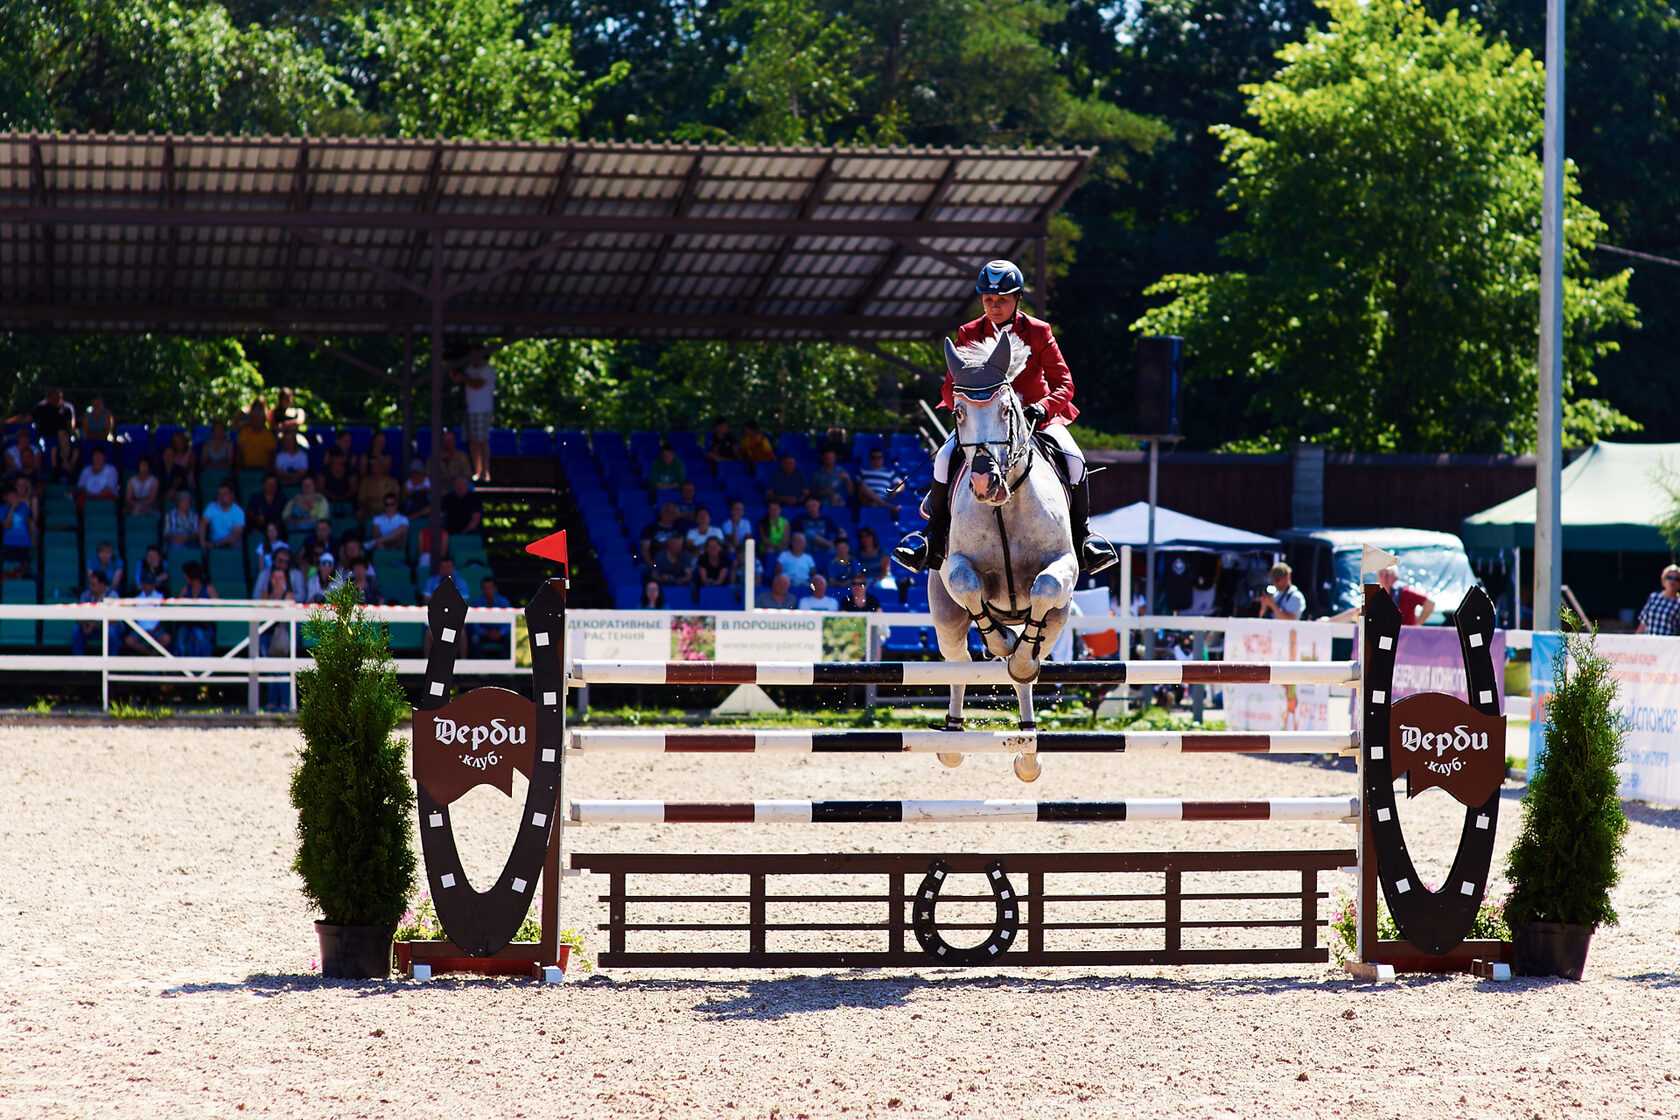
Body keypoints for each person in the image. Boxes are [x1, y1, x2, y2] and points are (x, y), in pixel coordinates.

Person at [894, 259, 1115, 575]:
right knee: (944, 457)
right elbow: (948, 386)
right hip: (984, 420)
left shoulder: (1038, 332)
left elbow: (1065, 383)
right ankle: (933, 538)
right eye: (988, 300)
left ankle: (1083, 537)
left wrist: (1043, 407)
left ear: (1018, 299)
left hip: (1034, 418)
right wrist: (965, 404)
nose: (994, 307)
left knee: (1075, 459)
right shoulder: (969, 333)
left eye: (1002, 300)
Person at [451, 351, 497, 482]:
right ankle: (477, 472)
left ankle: (485, 472)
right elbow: (455, 379)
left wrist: (464, 378)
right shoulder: (469, 369)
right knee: (473, 441)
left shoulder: (487, 369)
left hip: (483, 409)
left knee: (482, 440)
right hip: (470, 409)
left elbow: (477, 384)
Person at [71, 569, 120, 657]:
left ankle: (111, 667)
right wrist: (85, 624)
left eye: (93, 585)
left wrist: (96, 624)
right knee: (76, 630)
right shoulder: (86, 595)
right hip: (90, 629)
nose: (91, 587)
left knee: (111, 632)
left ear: (102, 585)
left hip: (107, 628)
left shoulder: (112, 596)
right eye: (90, 584)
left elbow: (115, 621)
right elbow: (79, 618)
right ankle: (79, 667)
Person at [174, 561, 219, 657]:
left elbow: (218, 608)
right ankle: (182, 669)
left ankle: (201, 669)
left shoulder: (209, 589)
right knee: (181, 638)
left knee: (199, 635)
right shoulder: (185, 590)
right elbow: (178, 608)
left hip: (204, 625)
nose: (184, 577)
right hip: (187, 624)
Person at [124, 570, 172, 656]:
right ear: (142, 584)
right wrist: (140, 631)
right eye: (147, 584)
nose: (149, 586)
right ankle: (150, 654)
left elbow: (162, 619)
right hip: (139, 631)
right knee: (129, 640)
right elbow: (133, 619)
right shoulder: (136, 598)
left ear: (154, 584)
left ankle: (153, 655)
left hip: (156, 631)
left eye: (151, 584)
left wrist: (154, 631)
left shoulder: (161, 597)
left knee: (166, 639)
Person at [8, 387, 75, 442]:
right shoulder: (41, 407)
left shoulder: (67, 408)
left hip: (62, 439)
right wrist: (8, 422)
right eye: (53, 398)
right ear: (48, 397)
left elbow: (71, 425)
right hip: (45, 438)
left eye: (57, 398)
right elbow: (26, 418)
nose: (55, 400)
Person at [466, 576, 512, 657]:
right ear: (482, 589)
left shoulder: (503, 602)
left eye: (489, 588)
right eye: (485, 588)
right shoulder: (477, 602)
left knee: (510, 638)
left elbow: (509, 622)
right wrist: (484, 632)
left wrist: (501, 632)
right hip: (484, 633)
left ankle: (506, 663)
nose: (487, 590)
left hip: (500, 633)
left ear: (494, 588)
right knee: (474, 639)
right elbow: (474, 623)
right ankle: (480, 663)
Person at [1, 479, 34, 578]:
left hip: (23, 542)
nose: (14, 498)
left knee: (25, 566)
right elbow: (7, 525)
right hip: (9, 543)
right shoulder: (2, 509)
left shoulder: (23, 506)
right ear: (5, 497)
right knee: (7, 568)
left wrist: (32, 539)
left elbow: (28, 523)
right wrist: (11, 508)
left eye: (15, 495)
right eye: (11, 496)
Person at [199, 482, 246, 550]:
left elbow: (237, 534)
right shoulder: (212, 506)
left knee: (237, 544)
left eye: (224, 494)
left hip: (229, 542)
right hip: (213, 540)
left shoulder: (238, 511)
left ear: (232, 495)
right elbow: (203, 523)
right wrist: (202, 540)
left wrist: (218, 543)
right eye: (220, 494)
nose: (221, 497)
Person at [638, 504, 685, 572]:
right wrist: (653, 566)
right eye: (667, 511)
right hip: (654, 564)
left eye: (673, 513)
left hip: (675, 566)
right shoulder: (650, 528)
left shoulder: (678, 529)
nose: (670, 514)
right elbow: (645, 550)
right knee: (641, 568)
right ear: (661, 512)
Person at [1636, 564, 1680, 636]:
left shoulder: (1678, 603)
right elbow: (1643, 623)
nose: (1672, 581)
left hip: (1668, 645)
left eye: (1677, 579)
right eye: (1669, 577)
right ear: (1663, 581)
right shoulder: (1654, 597)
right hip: (1648, 642)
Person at [356, 456, 401, 522]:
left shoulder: (392, 482)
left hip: (388, 511)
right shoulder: (365, 482)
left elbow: (397, 500)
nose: (373, 467)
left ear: (382, 466)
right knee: (359, 514)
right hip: (369, 513)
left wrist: (387, 509)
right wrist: (368, 509)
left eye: (376, 465)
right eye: (372, 465)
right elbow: (361, 501)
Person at [236, 400, 277, 470]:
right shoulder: (244, 433)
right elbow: (239, 453)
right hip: (246, 469)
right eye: (255, 416)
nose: (257, 419)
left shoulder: (269, 436)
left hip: (263, 469)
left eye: (259, 416)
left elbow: (271, 456)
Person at [856, 446, 899, 513]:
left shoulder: (889, 472)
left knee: (874, 504)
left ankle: (882, 505)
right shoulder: (863, 471)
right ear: (870, 459)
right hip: (867, 500)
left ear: (883, 459)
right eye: (874, 458)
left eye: (879, 457)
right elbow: (856, 485)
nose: (877, 460)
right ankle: (889, 507)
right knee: (863, 488)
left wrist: (895, 490)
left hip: (883, 498)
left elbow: (901, 484)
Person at [75, 445, 119, 510]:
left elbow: (109, 487)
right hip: (88, 497)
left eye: (100, 456)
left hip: (104, 496)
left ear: (104, 457)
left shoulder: (111, 469)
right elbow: (81, 486)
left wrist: (97, 496)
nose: (98, 459)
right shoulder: (86, 470)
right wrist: (89, 495)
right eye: (96, 456)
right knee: (79, 500)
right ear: (92, 457)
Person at [318, 447, 358, 512]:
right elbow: (320, 488)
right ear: (331, 459)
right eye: (336, 457)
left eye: (340, 457)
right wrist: (332, 496)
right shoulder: (324, 471)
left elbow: (354, 489)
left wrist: (343, 497)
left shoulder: (350, 471)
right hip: (328, 503)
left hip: (347, 502)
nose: (338, 459)